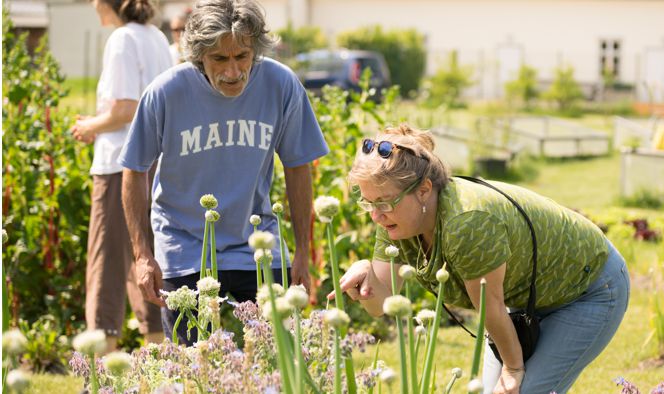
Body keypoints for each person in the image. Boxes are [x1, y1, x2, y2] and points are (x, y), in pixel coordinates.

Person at [335, 124, 630, 394]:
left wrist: (514, 369)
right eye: (368, 203)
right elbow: (380, 305)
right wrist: (366, 276)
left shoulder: (467, 222)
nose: (375, 214)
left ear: (424, 190)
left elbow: (491, 305)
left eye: (383, 202)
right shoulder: (394, 219)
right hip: (530, 296)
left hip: (590, 287)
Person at [118, 0, 329, 345]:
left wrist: (302, 251)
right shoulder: (166, 92)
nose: (233, 71)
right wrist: (143, 255)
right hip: (184, 243)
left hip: (257, 243)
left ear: (255, 51)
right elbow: (133, 170)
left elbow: (297, 164)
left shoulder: (281, 85)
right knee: (192, 363)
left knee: (276, 356)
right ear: (198, 56)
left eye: (242, 56)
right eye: (220, 59)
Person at [71, 0, 172, 352]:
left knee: (107, 261)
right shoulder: (156, 38)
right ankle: (160, 367)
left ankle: (101, 369)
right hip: (155, 164)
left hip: (119, 166)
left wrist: (89, 126)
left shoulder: (121, 40)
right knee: (146, 258)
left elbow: (125, 109)